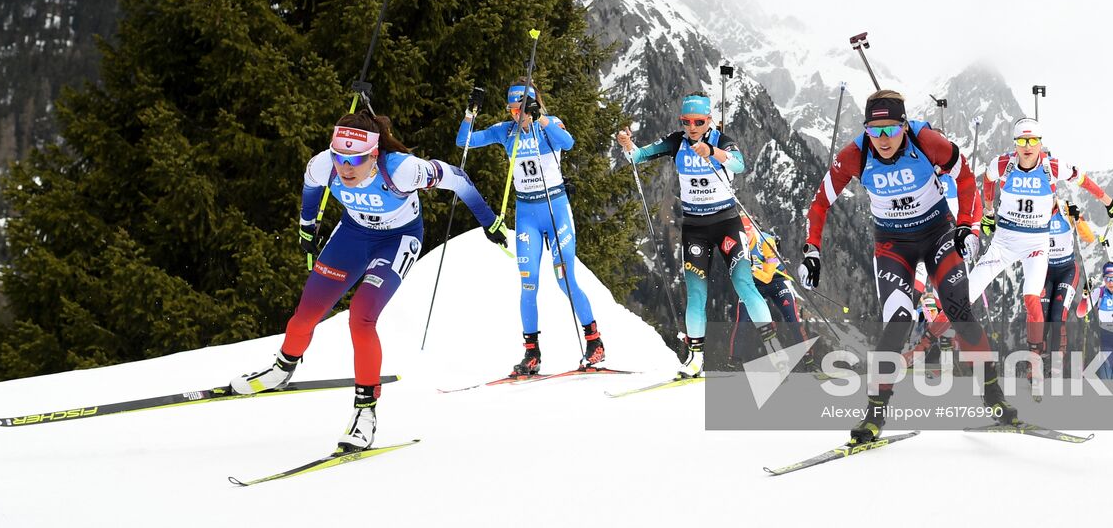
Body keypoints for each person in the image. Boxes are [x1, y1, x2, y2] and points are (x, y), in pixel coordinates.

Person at [231, 112, 502, 452]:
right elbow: (311, 186)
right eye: (339, 157)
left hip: (398, 239)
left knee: (360, 318)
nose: (345, 167)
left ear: (374, 154)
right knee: (305, 314)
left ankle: (365, 413)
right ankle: (281, 369)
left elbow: (459, 178)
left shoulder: (403, 169)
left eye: (355, 159)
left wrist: (489, 222)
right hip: (353, 237)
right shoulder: (323, 164)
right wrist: (307, 226)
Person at [801, 89, 1015, 443]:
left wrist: (966, 225)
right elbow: (820, 202)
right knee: (897, 321)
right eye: (874, 130)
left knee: (959, 310)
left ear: (904, 125)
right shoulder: (855, 154)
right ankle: (874, 415)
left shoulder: (927, 140)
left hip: (937, 235)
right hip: (892, 246)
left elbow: (966, 179)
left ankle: (993, 396)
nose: (882, 139)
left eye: (890, 130)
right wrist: (812, 248)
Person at [616, 91, 779, 377]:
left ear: (709, 120)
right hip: (695, 228)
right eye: (686, 121)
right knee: (695, 294)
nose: (692, 127)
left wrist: (713, 153)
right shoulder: (677, 141)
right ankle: (694, 360)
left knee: (744, 285)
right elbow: (638, 156)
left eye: (699, 122)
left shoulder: (720, 140)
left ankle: (776, 353)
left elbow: (740, 164)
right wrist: (628, 144)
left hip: (727, 222)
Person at [457, 80, 604, 376]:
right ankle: (531, 353)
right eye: (512, 109)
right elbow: (465, 141)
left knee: (564, 279)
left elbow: (568, 143)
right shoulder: (505, 131)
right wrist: (470, 113)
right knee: (528, 283)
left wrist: (542, 118)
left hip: (556, 209)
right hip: (526, 213)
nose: (516, 115)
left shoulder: (549, 125)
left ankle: (594, 342)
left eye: (522, 109)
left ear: (533, 106)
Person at [968, 117, 1113, 376]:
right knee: (966, 295)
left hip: (1038, 247)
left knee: (1040, 304)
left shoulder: (1053, 169)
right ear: (1015, 143)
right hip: (1004, 241)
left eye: (1033, 141)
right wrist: (988, 212)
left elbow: (1082, 179)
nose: (1027, 146)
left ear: (1040, 143)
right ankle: (926, 346)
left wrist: (1107, 201)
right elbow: (987, 178)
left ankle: (1036, 361)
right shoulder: (1003, 164)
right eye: (1022, 141)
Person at [729, 219, 818, 370]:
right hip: (753, 284)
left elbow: (768, 277)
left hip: (776, 282)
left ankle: (810, 362)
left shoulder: (766, 241)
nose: (744, 241)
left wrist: (751, 268)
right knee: (742, 320)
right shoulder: (735, 244)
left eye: (747, 237)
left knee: (792, 319)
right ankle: (733, 363)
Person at [1041, 199, 1098, 372]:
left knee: (1057, 316)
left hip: (1067, 271)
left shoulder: (1066, 210)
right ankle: (1036, 362)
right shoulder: (1034, 211)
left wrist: (1078, 220)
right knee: (1041, 317)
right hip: (1044, 271)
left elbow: (1089, 237)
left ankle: (1056, 364)